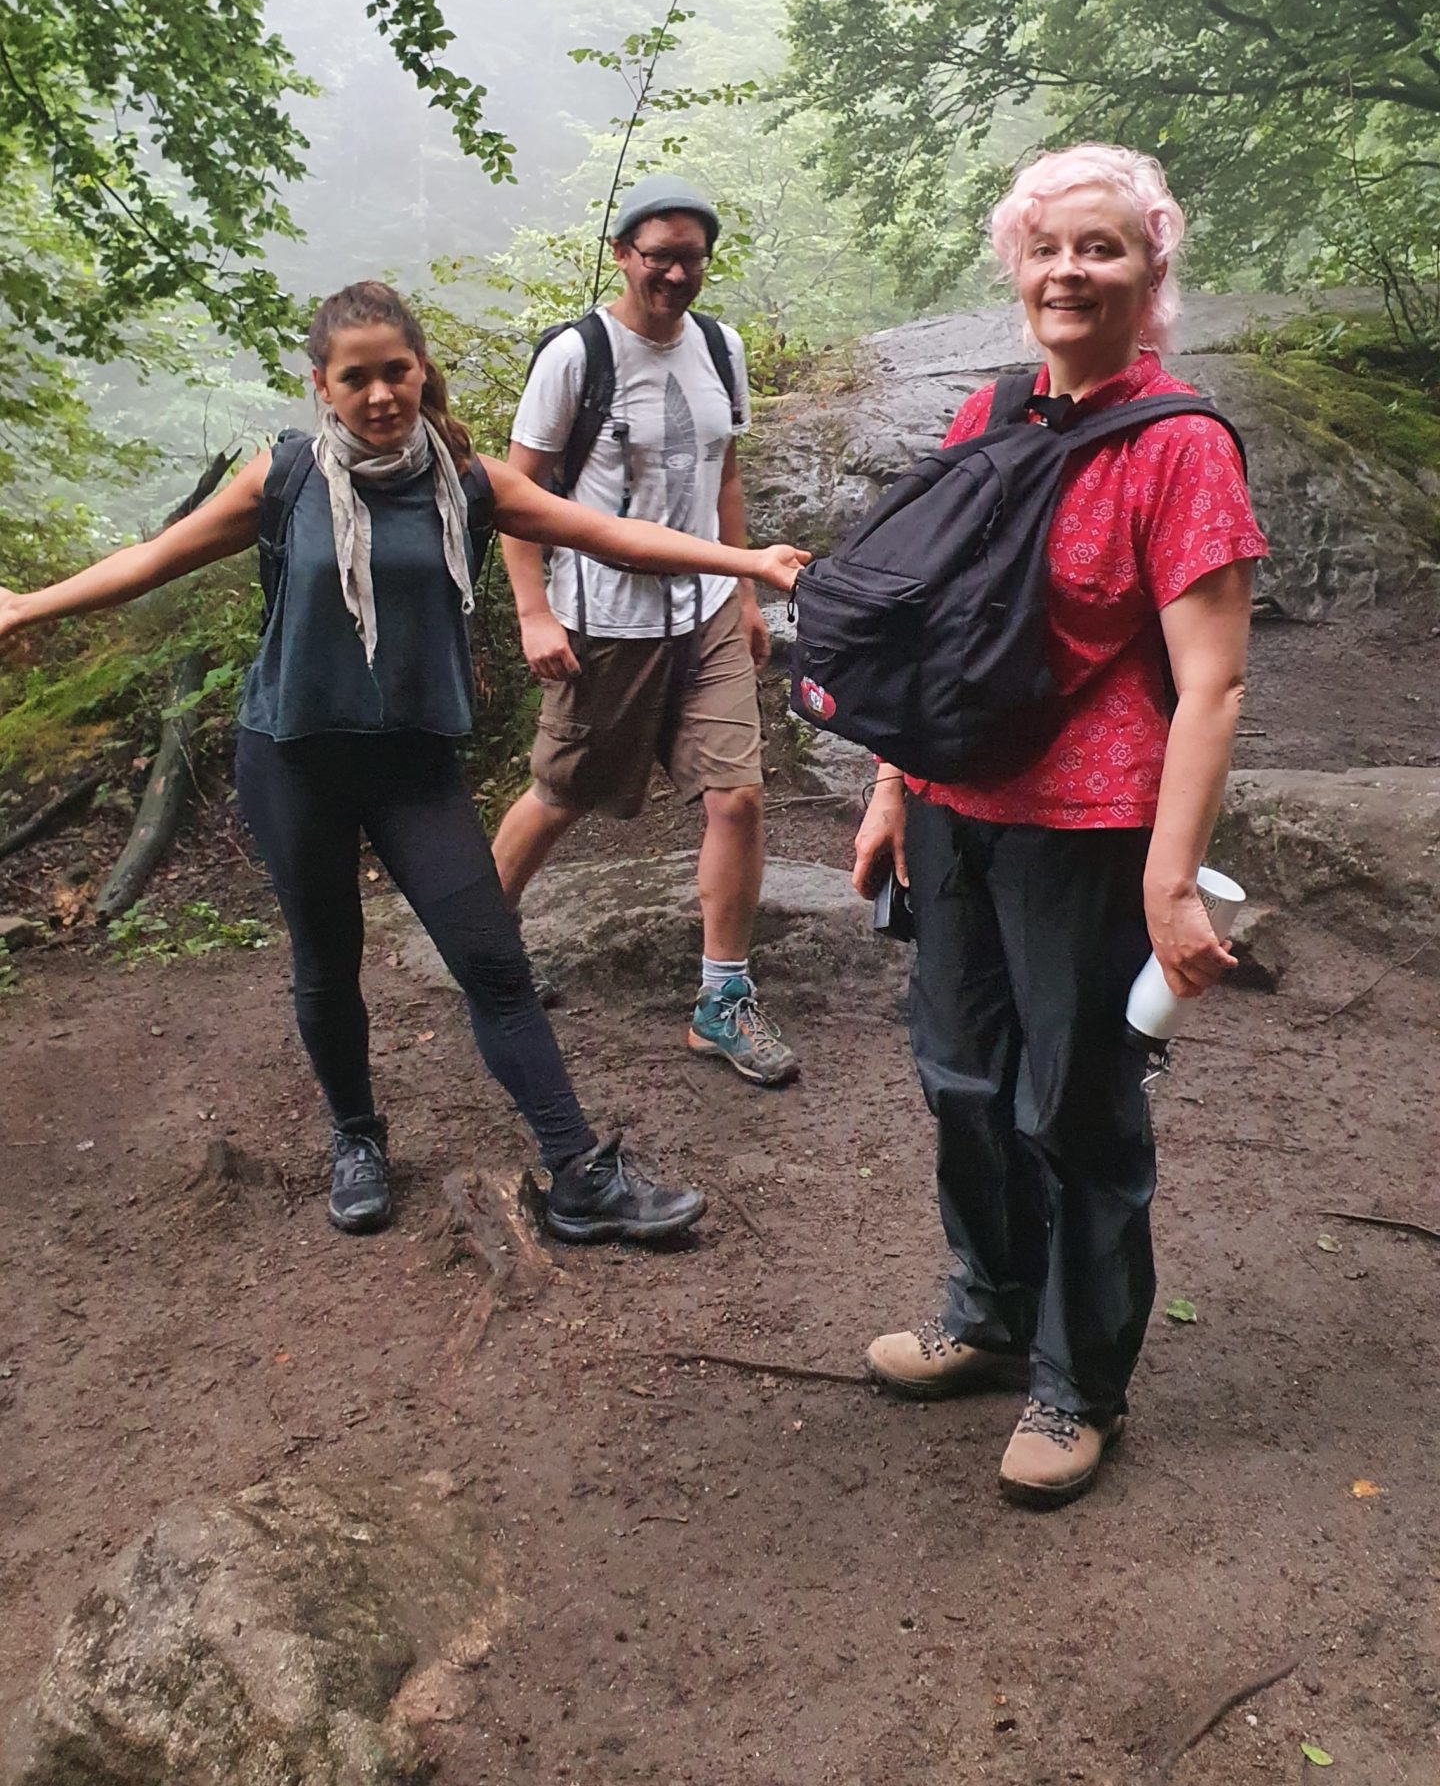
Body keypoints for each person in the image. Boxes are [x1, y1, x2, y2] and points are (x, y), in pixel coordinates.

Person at [0, 282, 809, 1245]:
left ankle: (578, 1175)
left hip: (414, 768)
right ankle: (357, 1138)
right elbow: (154, 560)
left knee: (492, 961)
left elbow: (612, 535)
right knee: (326, 959)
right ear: (322, 385)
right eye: (357, 379)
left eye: (396, 371)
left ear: (422, 370)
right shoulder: (285, 478)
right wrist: (25, 607)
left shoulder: (466, 480)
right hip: (293, 759)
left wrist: (747, 563)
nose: (380, 394)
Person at [852, 147, 1267, 1507]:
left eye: (1101, 247)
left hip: (1091, 827)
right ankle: (989, 1310)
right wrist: (890, 786)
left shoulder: (1181, 446)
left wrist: (1171, 881)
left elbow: (1212, 684)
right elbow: (926, 619)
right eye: (1046, 249)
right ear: (1017, 268)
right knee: (961, 1076)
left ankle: (1077, 1379)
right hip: (954, 805)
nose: (1068, 272)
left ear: (1152, 272)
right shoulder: (991, 414)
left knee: (1076, 1103)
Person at [490, 178, 798, 1086]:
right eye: (658, 255)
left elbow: (724, 474)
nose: (674, 273)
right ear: (623, 254)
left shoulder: (720, 347)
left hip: (707, 612)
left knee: (738, 798)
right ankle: (484, 947)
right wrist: (534, 611)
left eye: (690, 258)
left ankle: (722, 1001)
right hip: (605, 622)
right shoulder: (576, 356)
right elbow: (516, 496)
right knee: (562, 792)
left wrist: (745, 594)